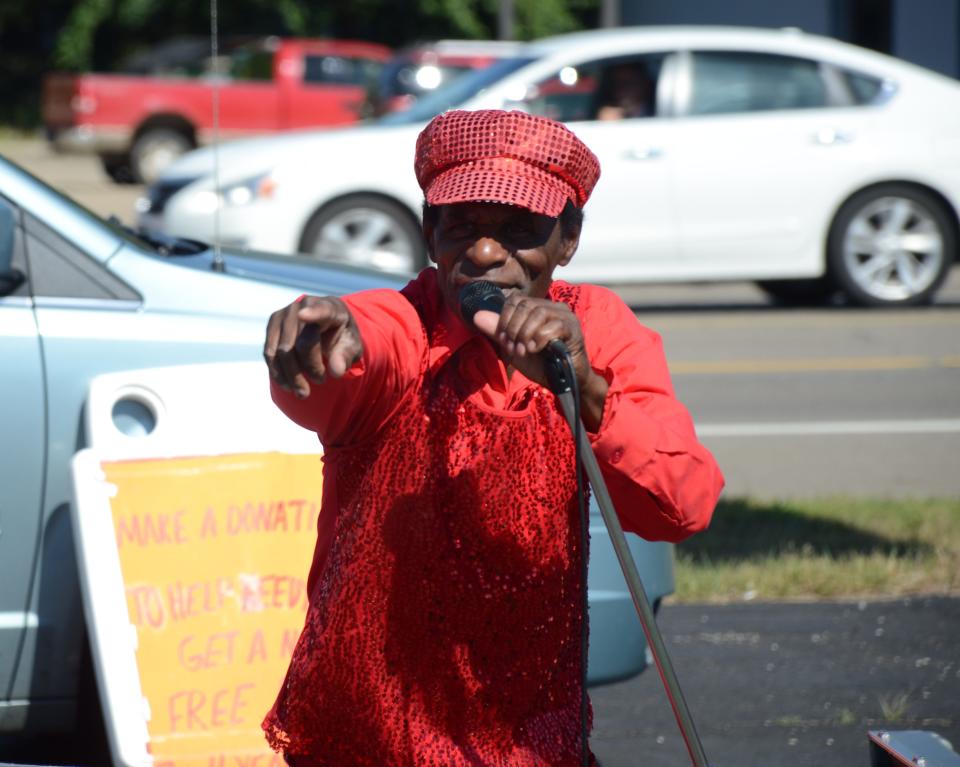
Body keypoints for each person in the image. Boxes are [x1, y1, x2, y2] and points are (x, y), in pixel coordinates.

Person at [261, 109, 723, 766]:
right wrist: (331, 336)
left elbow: (684, 502)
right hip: (371, 735)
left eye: (518, 231)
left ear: (568, 240)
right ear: (429, 232)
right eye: (462, 226)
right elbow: (366, 345)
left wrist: (587, 389)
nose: (482, 253)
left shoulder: (597, 326)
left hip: (526, 737)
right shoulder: (404, 322)